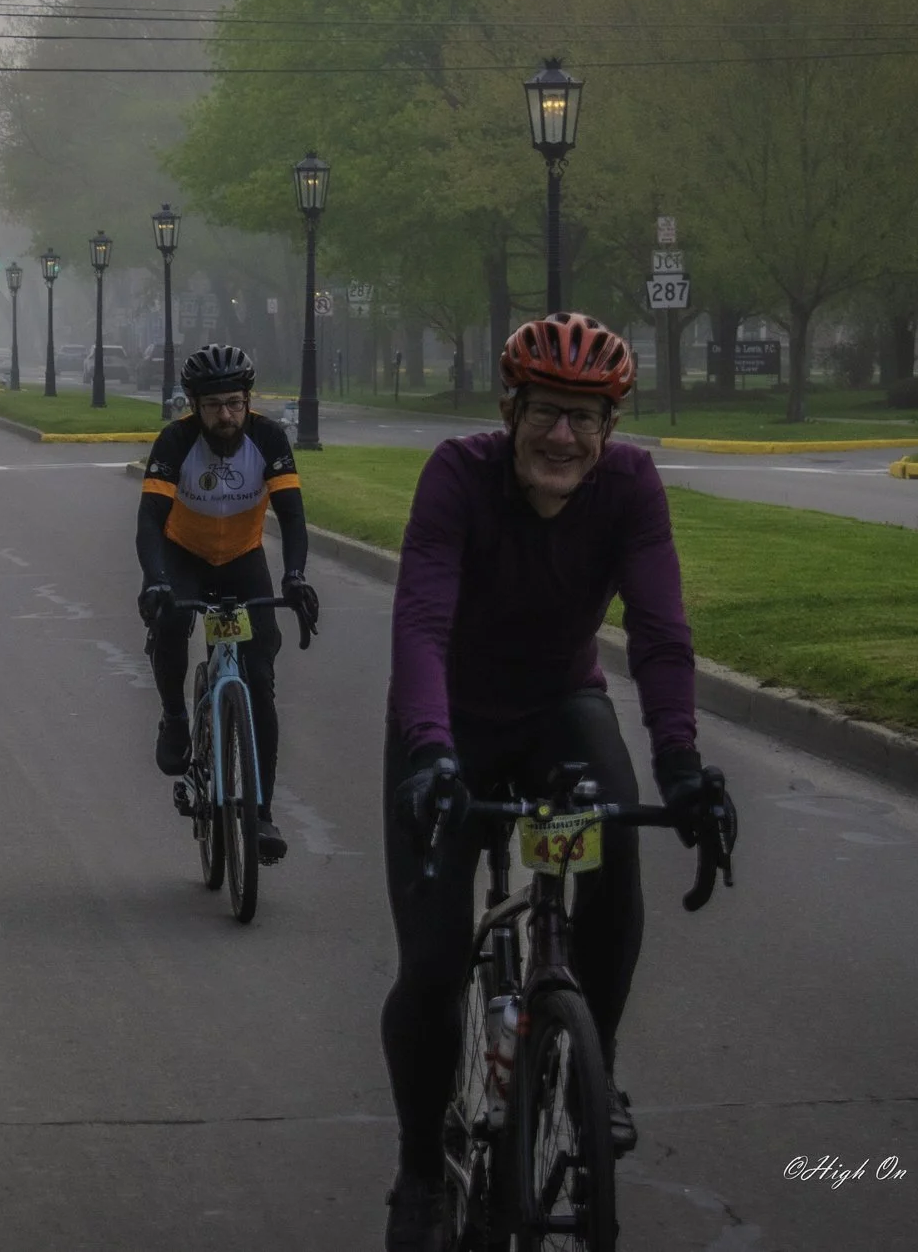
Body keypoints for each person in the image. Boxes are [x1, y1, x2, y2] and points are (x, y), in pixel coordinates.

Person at [378, 312, 728, 1252]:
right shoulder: (458, 475)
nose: (562, 436)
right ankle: (419, 1171)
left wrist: (683, 765)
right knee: (434, 964)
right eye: (544, 412)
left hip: (557, 708)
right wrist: (432, 754)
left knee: (613, 839)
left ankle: (590, 1059)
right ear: (511, 408)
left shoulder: (632, 489)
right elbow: (420, 623)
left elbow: (659, 632)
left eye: (584, 417)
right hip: (446, 717)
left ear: (610, 430)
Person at [135, 343, 320, 866]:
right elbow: (150, 520)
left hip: (241, 555)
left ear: (248, 401)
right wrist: (155, 580)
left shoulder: (267, 437)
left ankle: (260, 814)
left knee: (259, 679)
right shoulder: (175, 441)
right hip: (185, 554)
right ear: (194, 404)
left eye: (236, 403)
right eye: (214, 405)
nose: (226, 415)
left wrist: (296, 575)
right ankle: (175, 716)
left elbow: (293, 515)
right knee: (172, 621)